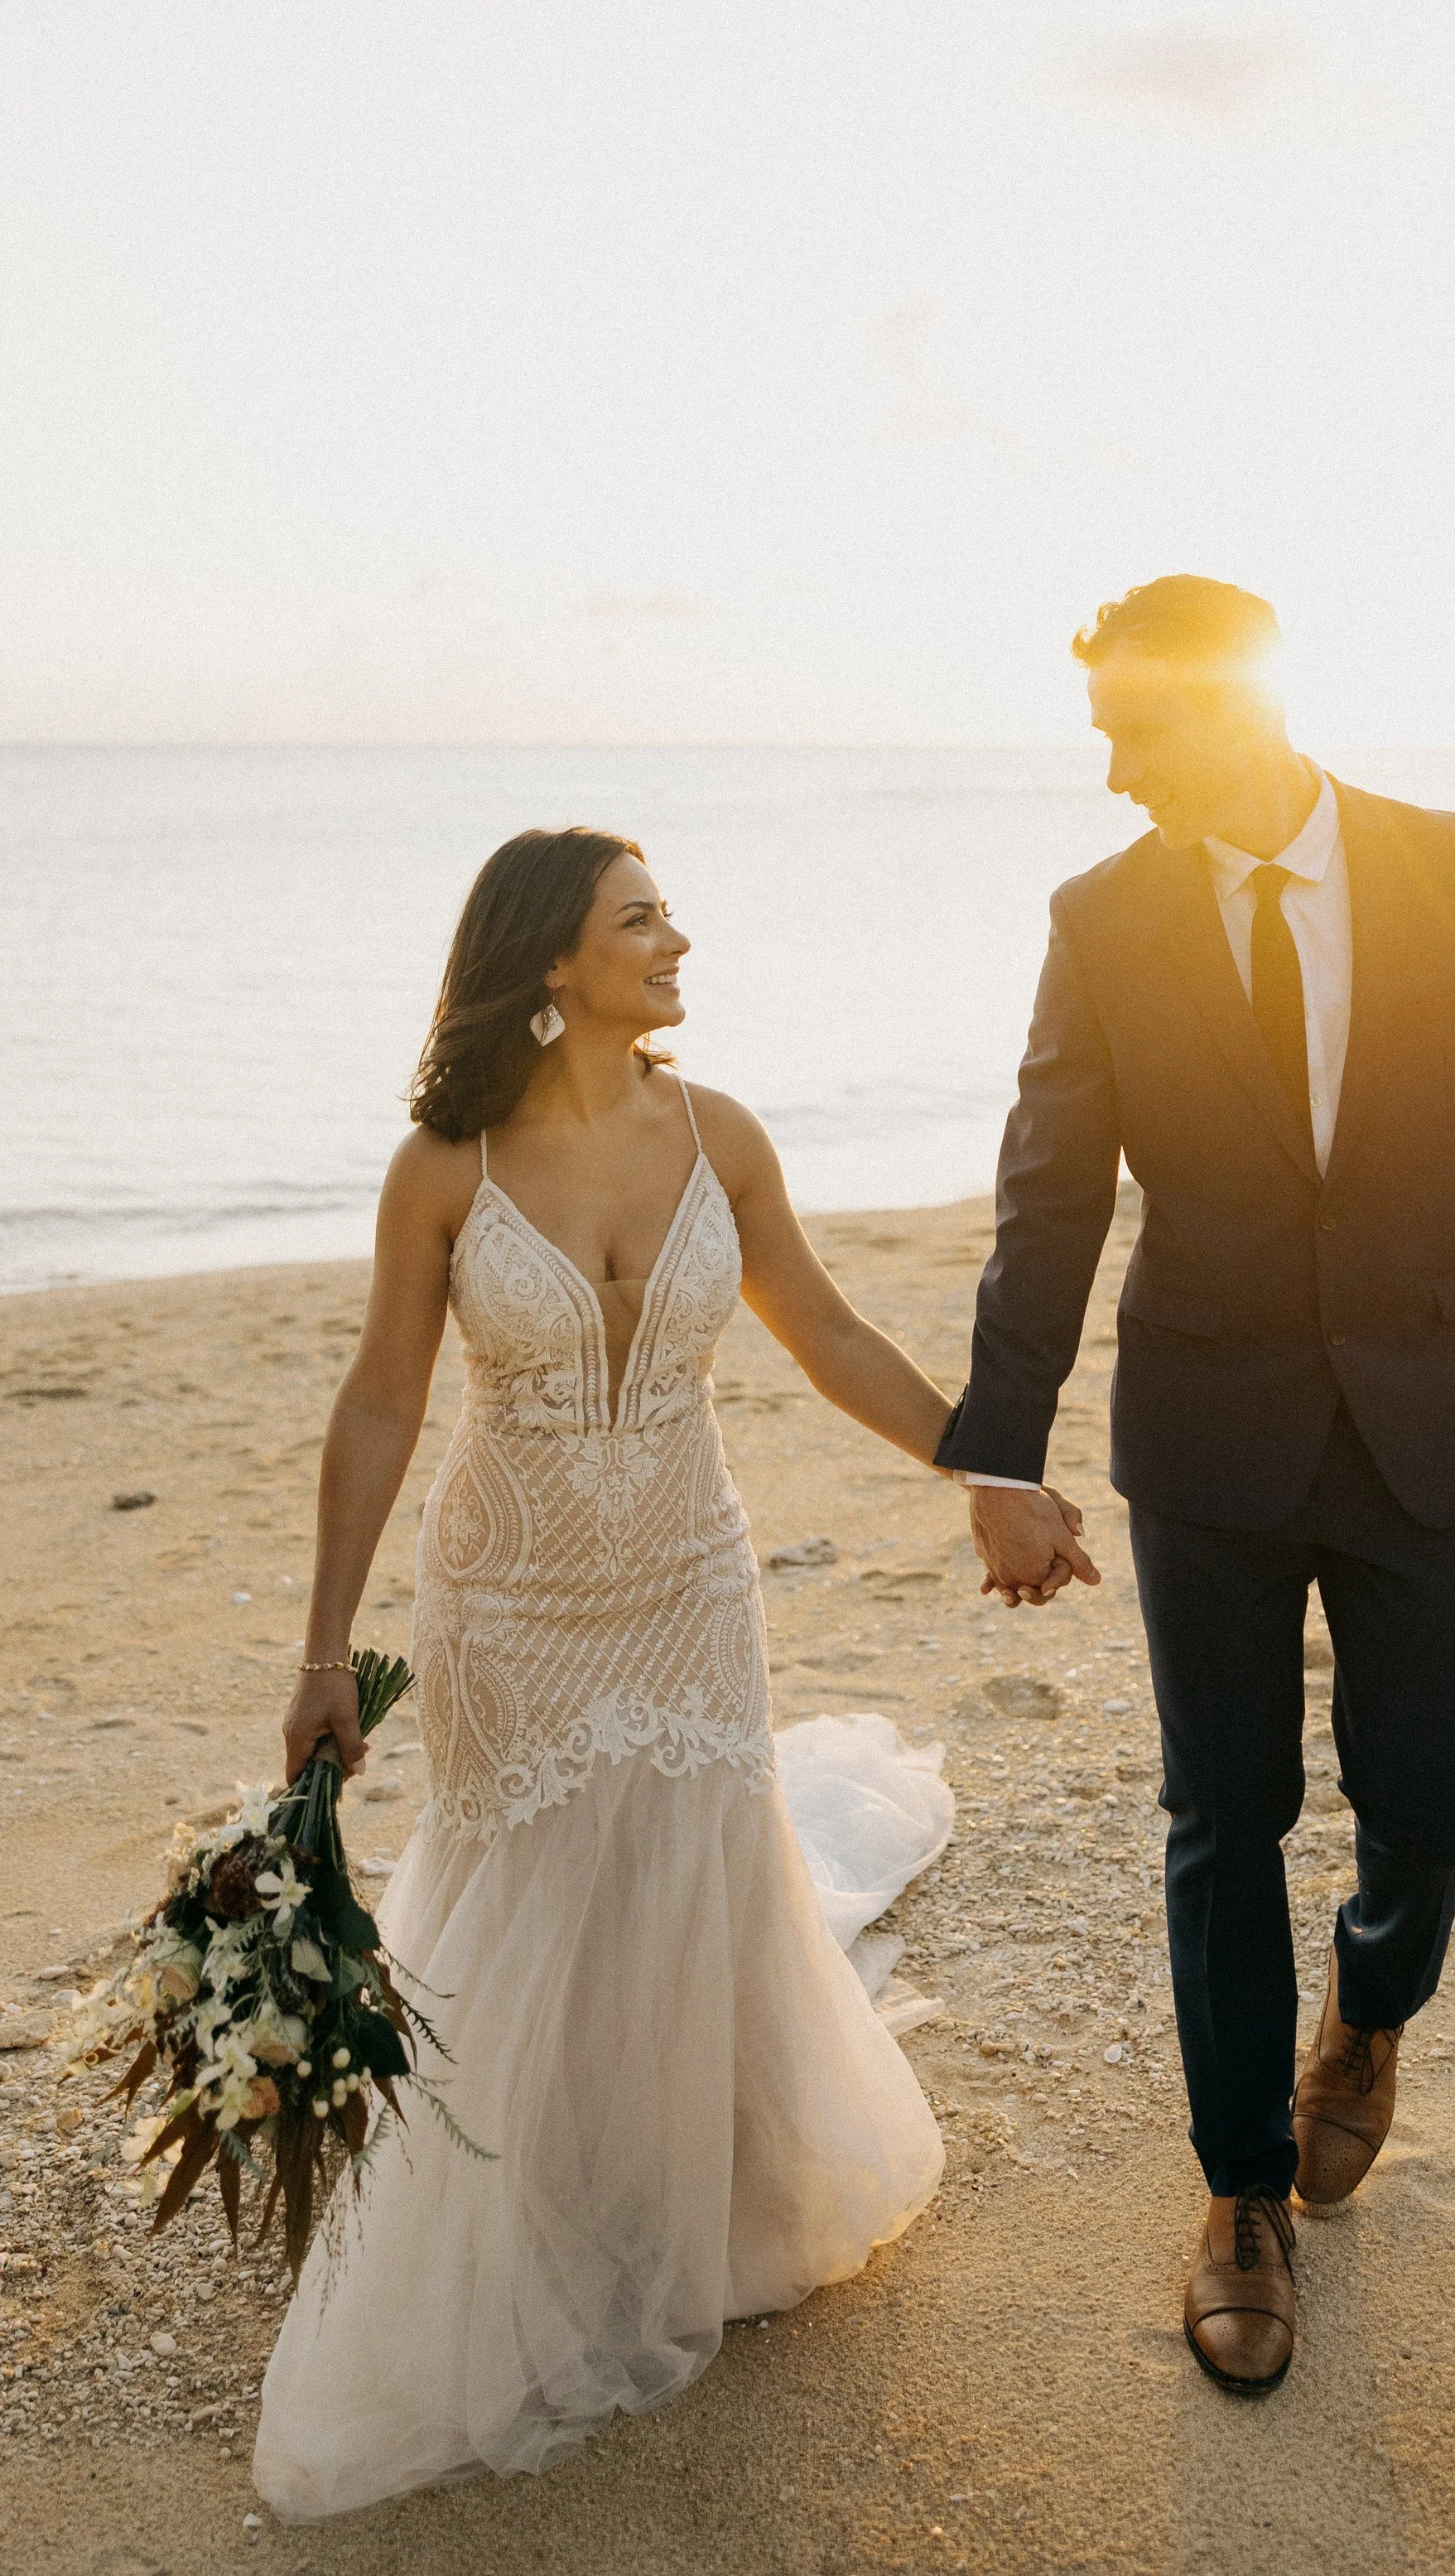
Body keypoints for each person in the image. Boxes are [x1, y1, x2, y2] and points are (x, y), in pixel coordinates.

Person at [253, 825, 1033, 2516]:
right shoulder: (443, 1169)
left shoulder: (717, 1134)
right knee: (529, 1889)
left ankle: (690, 2197)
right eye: (639, 918)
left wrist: (980, 1467)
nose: (676, 940)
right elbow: (383, 1398)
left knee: (689, 1872)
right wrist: (325, 1645)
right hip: (510, 1598)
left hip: (686, 1579)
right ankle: (518, 2218)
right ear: (552, 963)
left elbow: (819, 1329)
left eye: (666, 913)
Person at [934, 576, 1455, 2394]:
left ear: (1233, 704)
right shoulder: (1099, 918)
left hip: (1426, 1415)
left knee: (1429, 1797)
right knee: (1216, 1812)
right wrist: (997, 1458)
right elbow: (1050, 1200)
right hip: (1208, 1437)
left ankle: (1369, 2011)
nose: (1106, 773)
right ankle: (1238, 2191)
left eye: (1129, 729)